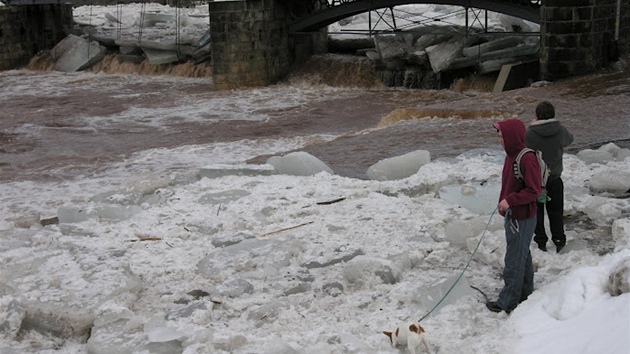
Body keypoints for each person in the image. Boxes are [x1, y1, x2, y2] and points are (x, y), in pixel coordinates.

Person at [486, 119, 541, 314]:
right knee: (522, 255)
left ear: (512, 137)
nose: (500, 140)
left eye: (502, 136)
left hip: (522, 217)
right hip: (514, 214)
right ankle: (525, 293)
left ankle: (507, 302)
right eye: (499, 136)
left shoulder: (526, 158)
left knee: (514, 261)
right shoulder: (511, 155)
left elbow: (533, 190)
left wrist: (510, 201)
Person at [525, 101, 574, 253]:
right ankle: (559, 240)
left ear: (537, 115)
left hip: (537, 181)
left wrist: (531, 125)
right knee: (556, 211)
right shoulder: (560, 129)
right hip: (555, 178)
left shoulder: (530, 132)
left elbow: (523, 147)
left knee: (537, 212)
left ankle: (540, 242)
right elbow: (569, 140)